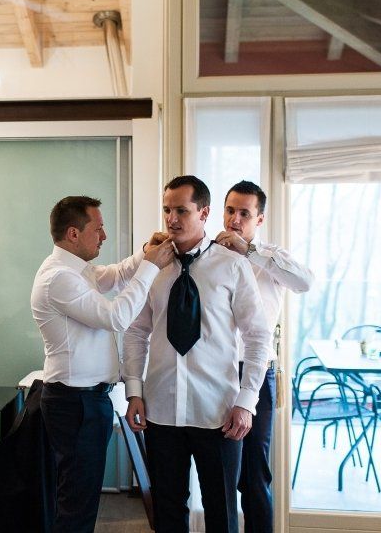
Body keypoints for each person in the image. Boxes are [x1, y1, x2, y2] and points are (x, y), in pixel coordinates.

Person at [123, 175, 271, 533]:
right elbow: (135, 330)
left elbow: (258, 335)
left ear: (204, 213)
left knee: (221, 512)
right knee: (168, 513)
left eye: (181, 210)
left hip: (218, 413)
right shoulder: (151, 268)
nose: (171, 218)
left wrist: (247, 400)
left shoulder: (232, 265)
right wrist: (134, 391)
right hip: (161, 410)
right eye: (166, 210)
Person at [31, 195, 174, 533]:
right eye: (98, 228)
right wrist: (151, 266)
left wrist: (144, 254)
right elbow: (116, 316)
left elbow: (115, 275)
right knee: (76, 506)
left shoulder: (77, 271)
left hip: (83, 400)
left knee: (79, 499)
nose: (104, 236)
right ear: (73, 233)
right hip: (75, 403)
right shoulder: (59, 278)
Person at [214, 180, 313, 533]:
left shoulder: (271, 256)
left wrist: (250, 253)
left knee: (254, 476)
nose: (235, 219)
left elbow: (305, 282)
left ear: (259, 219)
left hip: (256, 374)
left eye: (244, 213)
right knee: (220, 477)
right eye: (230, 210)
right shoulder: (208, 252)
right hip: (214, 373)